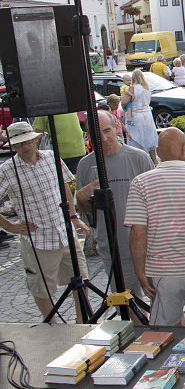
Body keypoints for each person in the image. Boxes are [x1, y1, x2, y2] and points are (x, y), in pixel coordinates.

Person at [125, 128, 185, 327]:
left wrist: (139, 271)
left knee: (169, 324)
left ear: (157, 152)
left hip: (163, 271)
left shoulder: (141, 183)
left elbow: (138, 233)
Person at [0, 122, 90, 323]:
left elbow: (64, 188)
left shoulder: (51, 157)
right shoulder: (7, 170)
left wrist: (73, 217)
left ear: (36, 139)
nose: (25, 146)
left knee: (81, 279)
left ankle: (82, 323)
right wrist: (9, 226)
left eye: (27, 141)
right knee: (41, 288)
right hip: (38, 239)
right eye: (19, 144)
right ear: (12, 146)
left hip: (65, 233)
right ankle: (52, 327)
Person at [75, 111, 154, 322]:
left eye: (107, 131)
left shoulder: (139, 158)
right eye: (96, 134)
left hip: (149, 247)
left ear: (117, 127)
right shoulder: (86, 165)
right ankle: (139, 338)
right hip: (113, 249)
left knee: (161, 301)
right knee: (128, 308)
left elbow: (156, 202)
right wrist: (82, 197)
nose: (103, 138)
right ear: (88, 135)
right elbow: (84, 209)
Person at [122, 69, 159, 164]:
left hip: (135, 115)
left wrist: (123, 104)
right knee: (149, 137)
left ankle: (139, 161)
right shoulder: (147, 87)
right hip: (147, 114)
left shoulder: (132, 88)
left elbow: (124, 102)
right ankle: (154, 160)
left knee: (136, 138)